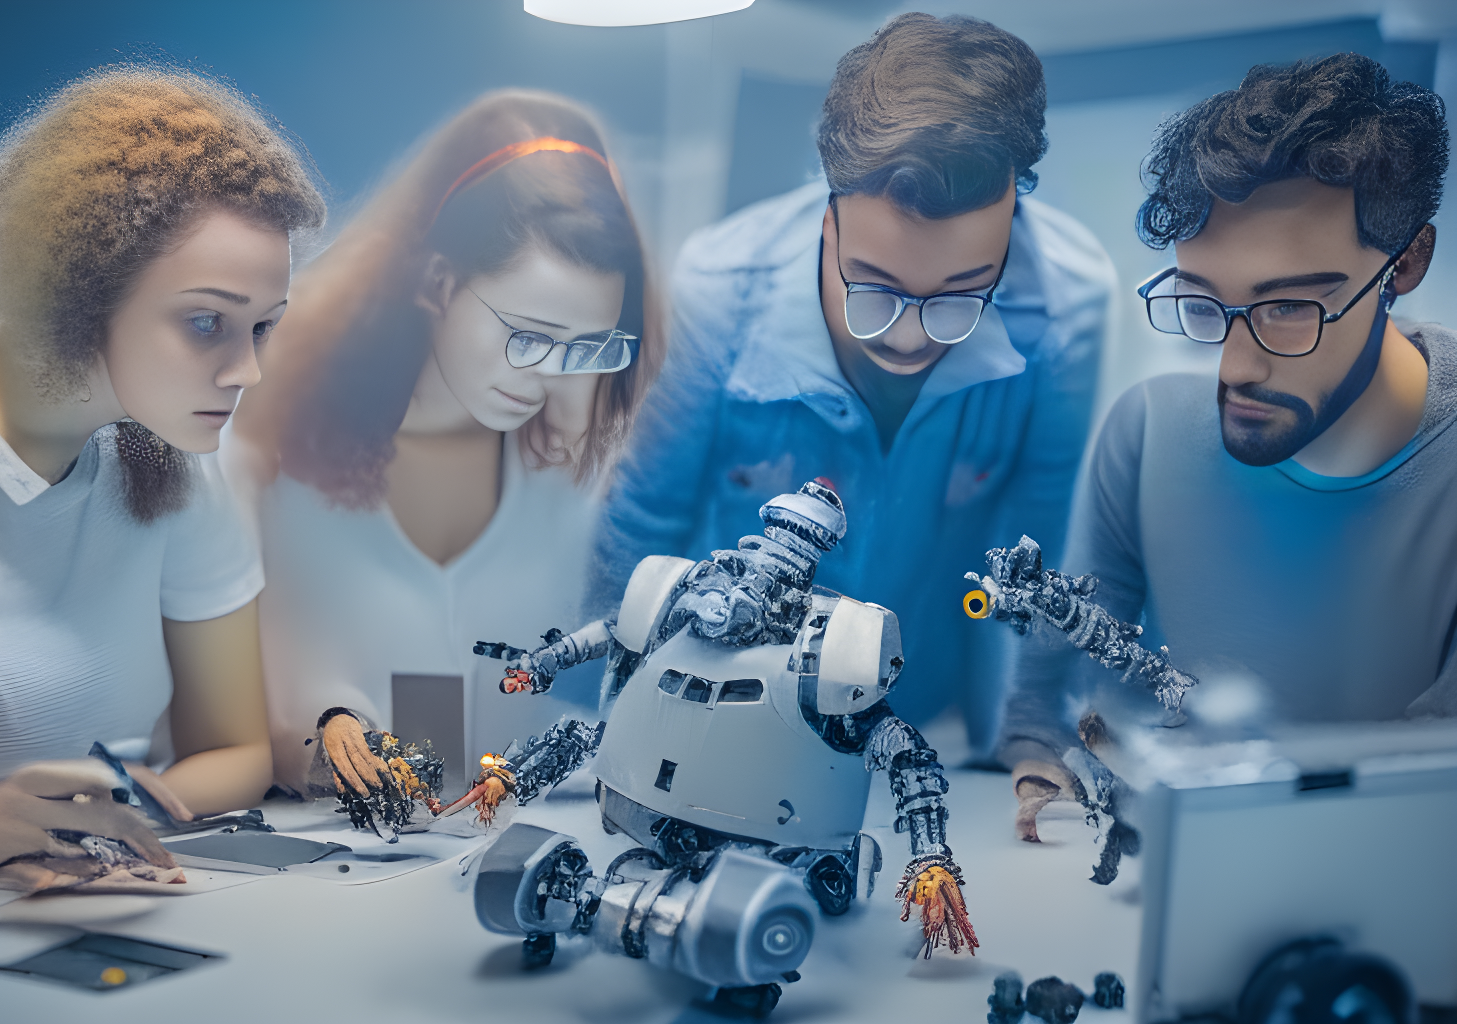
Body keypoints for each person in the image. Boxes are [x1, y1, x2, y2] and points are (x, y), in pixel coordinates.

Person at [586, 13, 1114, 759]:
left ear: (1013, 228)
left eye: (962, 295)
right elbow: (640, 531)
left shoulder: (1070, 303)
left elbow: (1029, 555)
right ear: (826, 221)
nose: (907, 337)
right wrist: (601, 749)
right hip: (712, 725)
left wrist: (1023, 748)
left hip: (920, 724)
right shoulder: (715, 289)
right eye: (874, 286)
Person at [998, 53, 1456, 834]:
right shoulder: (1147, 433)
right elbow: (1053, 690)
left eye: (1288, 310)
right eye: (1204, 304)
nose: (1235, 369)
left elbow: (1429, 775)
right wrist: (1041, 772)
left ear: (1404, 264)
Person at [0, 66, 326, 885]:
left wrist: (118, 827)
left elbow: (233, 749)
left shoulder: (164, 443)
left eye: (263, 327)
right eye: (206, 322)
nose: (245, 371)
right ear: (76, 290)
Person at [231, 90, 661, 800]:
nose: (549, 376)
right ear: (437, 283)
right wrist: (325, 738)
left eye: (585, 347)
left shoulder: (581, 471)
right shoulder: (265, 437)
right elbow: (229, 702)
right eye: (527, 337)